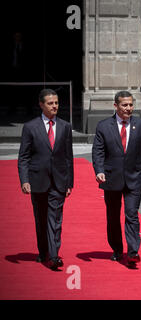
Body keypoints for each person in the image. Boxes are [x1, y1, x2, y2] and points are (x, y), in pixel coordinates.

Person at [92, 91, 141, 268]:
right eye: (125, 105)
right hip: (111, 178)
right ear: (116, 106)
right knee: (112, 216)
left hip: (135, 178)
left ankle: (133, 252)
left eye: (131, 105)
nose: (129, 108)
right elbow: (98, 151)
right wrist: (99, 170)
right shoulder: (104, 126)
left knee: (131, 214)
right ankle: (117, 249)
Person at [18, 89, 74, 270]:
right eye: (50, 103)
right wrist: (25, 180)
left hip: (58, 181)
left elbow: (68, 157)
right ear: (41, 105)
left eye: (56, 102)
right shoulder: (30, 127)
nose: (55, 106)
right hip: (37, 180)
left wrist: (69, 182)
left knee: (55, 219)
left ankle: (54, 255)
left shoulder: (65, 126)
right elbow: (24, 157)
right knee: (41, 219)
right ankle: (43, 252)